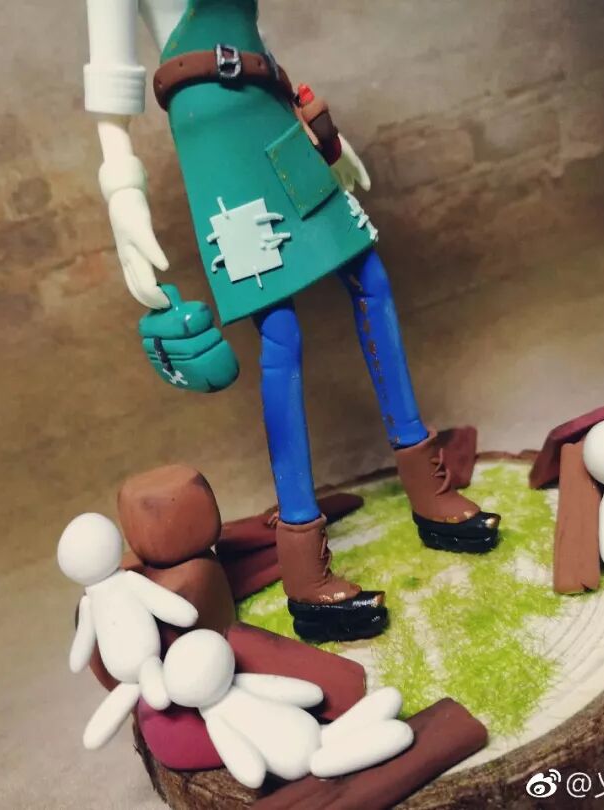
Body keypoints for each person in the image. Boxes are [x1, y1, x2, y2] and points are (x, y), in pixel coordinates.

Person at [83, 0, 501, 641]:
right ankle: (306, 570)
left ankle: (428, 489)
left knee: (369, 277)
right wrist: (122, 194)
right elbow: (111, 77)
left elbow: (253, 36)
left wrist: (320, 132)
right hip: (217, 148)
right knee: (280, 330)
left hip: (273, 115)